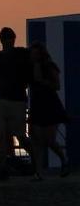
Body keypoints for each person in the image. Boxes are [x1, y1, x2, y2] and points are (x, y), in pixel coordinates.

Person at [0, 27, 34, 181]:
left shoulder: (21, 54)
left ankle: (35, 162)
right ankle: (2, 168)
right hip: (4, 101)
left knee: (18, 135)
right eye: (8, 40)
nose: (10, 43)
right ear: (4, 40)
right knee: (0, 135)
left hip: (14, 101)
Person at [28, 42, 69, 178]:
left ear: (41, 54)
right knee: (36, 141)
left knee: (49, 140)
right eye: (32, 54)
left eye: (35, 54)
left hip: (50, 105)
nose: (33, 56)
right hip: (36, 106)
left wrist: (43, 81)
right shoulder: (30, 68)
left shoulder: (50, 66)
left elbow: (57, 86)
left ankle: (64, 161)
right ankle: (38, 172)